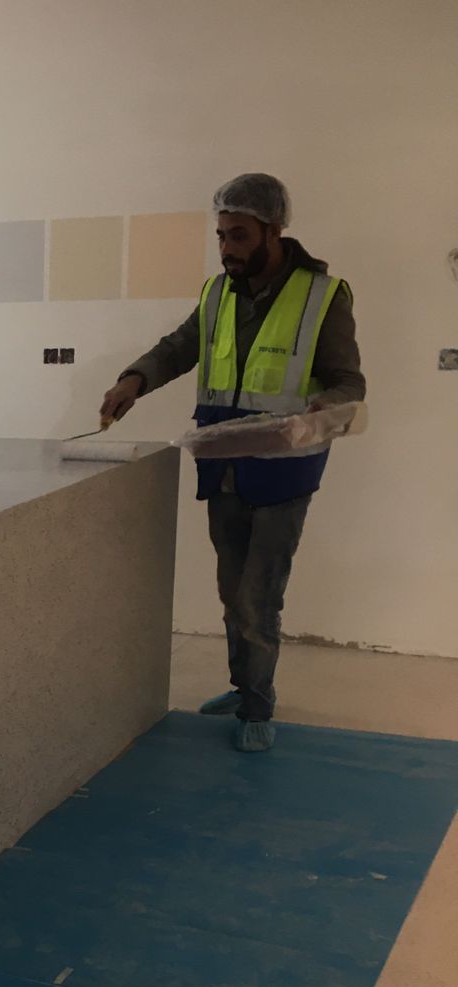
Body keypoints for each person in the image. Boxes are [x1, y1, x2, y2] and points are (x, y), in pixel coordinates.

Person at [100, 174, 366, 752]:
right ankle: (243, 685)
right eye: (220, 235)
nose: (226, 248)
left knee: (258, 596)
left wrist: (327, 406)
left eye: (239, 235)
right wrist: (134, 380)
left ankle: (258, 707)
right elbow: (179, 346)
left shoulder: (323, 296)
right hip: (222, 466)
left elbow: (349, 381)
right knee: (230, 590)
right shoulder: (218, 292)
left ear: (274, 230)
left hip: (283, 471)